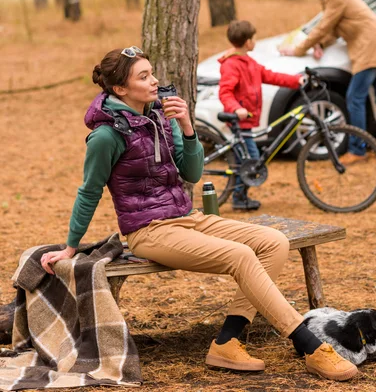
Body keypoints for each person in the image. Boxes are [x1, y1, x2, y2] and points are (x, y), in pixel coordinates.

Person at [40, 46, 358, 381]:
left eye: (152, 73)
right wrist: (71, 246)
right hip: (149, 230)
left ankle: (227, 341)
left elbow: (191, 173)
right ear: (120, 89)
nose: (155, 81)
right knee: (240, 256)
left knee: (274, 242)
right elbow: (89, 191)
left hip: (188, 218)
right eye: (144, 77)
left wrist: (187, 126)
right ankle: (311, 346)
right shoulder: (106, 136)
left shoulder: (161, 117)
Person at [280, 0, 376, 163]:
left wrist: (298, 50)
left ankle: (358, 150)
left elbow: (323, 27)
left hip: (369, 48)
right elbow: (334, 29)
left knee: (355, 97)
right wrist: (320, 44)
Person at [219, 20, 304, 210]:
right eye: (254, 38)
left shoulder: (250, 63)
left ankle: (240, 194)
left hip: (247, 120)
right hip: (239, 120)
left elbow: (271, 76)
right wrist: (235, 109)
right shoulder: (231, 65)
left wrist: (297, 80)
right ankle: (239, 198)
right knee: (252, 160)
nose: (255, 41)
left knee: (247, 159)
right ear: (248, 42)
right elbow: (225, 92)